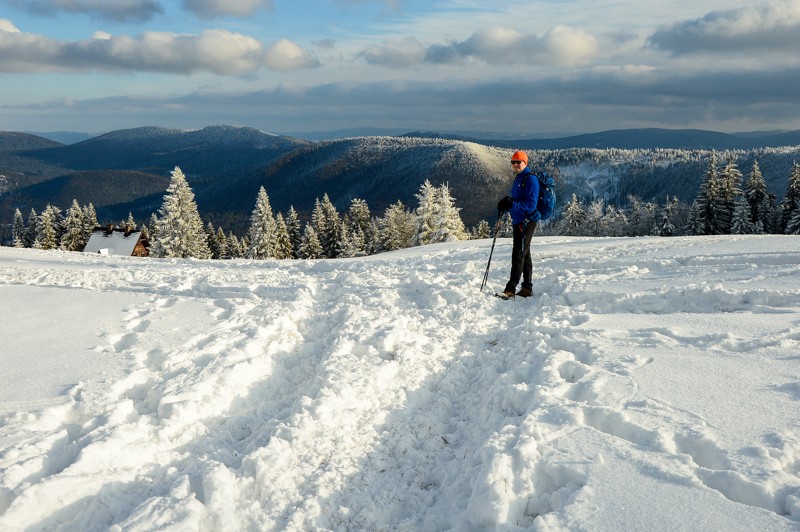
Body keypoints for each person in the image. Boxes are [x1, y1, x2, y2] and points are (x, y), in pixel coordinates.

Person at [496, 150, 539, 299]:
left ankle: (510, 289)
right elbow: (518, 199)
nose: (515, 165)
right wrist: (508, 202)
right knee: (524, 253)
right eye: (513, 162)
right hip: (519, 221)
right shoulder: (519, 178)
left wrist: (512, 205)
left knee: (518, 254)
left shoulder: (530, 179)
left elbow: (531, 204)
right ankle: (527, 288)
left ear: (525, 162)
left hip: (526, 221)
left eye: (518, 162)